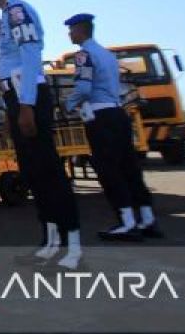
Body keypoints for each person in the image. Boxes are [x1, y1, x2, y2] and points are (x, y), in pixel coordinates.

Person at [0, 0, 82, 269]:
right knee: (35, 175)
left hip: (30, 97)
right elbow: (10, 68)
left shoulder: (17, 11)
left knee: (50, 173)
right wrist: (10, 111)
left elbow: (30, 57)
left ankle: (72, 245)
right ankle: (50, 242)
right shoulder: (5, 14)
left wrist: (25, 106)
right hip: (19, 96)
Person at [63, 13, 161, 240]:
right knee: (129, 168)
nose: (69, 34)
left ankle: (126, 223)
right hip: (118, 113)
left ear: (80, 31)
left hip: (99, 117)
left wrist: (67, 104)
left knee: (109, 171)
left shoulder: (83, 56)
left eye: (71, 30)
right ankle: (147, 219)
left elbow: (84, 89)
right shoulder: (108, 55)